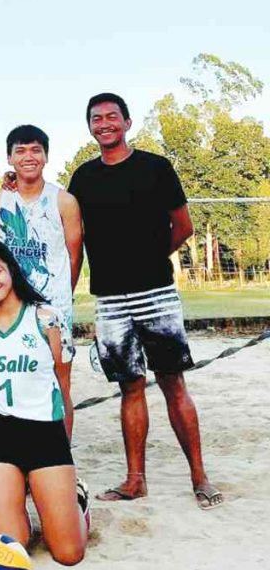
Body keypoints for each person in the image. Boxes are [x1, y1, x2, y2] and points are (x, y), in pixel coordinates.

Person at [68, 93, 222, 510]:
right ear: (90, 127)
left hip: (157, 293)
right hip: (111, 299)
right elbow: (65, 224)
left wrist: (151, 259)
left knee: (173, 382)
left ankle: (199, 476)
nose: (105, 124)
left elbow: (184, 226)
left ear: (127, 122)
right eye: (96, 118)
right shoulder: (82, 178)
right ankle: (136, 479)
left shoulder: (156, 167)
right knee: (129, 387)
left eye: (111, 117)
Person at [0, 239, 89, 565]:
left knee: (68, 553)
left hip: (44, 433)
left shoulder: (46, 317)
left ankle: (77, 504)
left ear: (11, 270)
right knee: (12, 550)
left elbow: (62, 386)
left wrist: (65, 447)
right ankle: (23, 508)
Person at [0, 125, 83, 438]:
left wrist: (60, 300)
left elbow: (74, 257)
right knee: (14, 381)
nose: (29, 157)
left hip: (53, 307)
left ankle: (61, 460)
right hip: (10, 311)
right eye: (21, 150)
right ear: (9, 158)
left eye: (36, 150)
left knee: (59, 384)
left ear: (47, 156)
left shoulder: (64, 201)